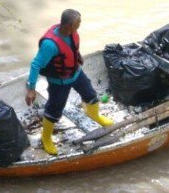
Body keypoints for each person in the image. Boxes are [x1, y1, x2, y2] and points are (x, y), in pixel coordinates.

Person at [26, 9, 113, 155]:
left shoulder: (71, 33)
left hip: (76, 74)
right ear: (68, 26)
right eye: (78, 23)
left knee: (91, 95)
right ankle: (46, 137)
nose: (80, 25)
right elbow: (35, 65)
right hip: (59, 82)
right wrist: (31, 89)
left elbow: (72, 47)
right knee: (54, 109)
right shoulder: (50, 45)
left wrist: (77, 56)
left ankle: (94, 115)